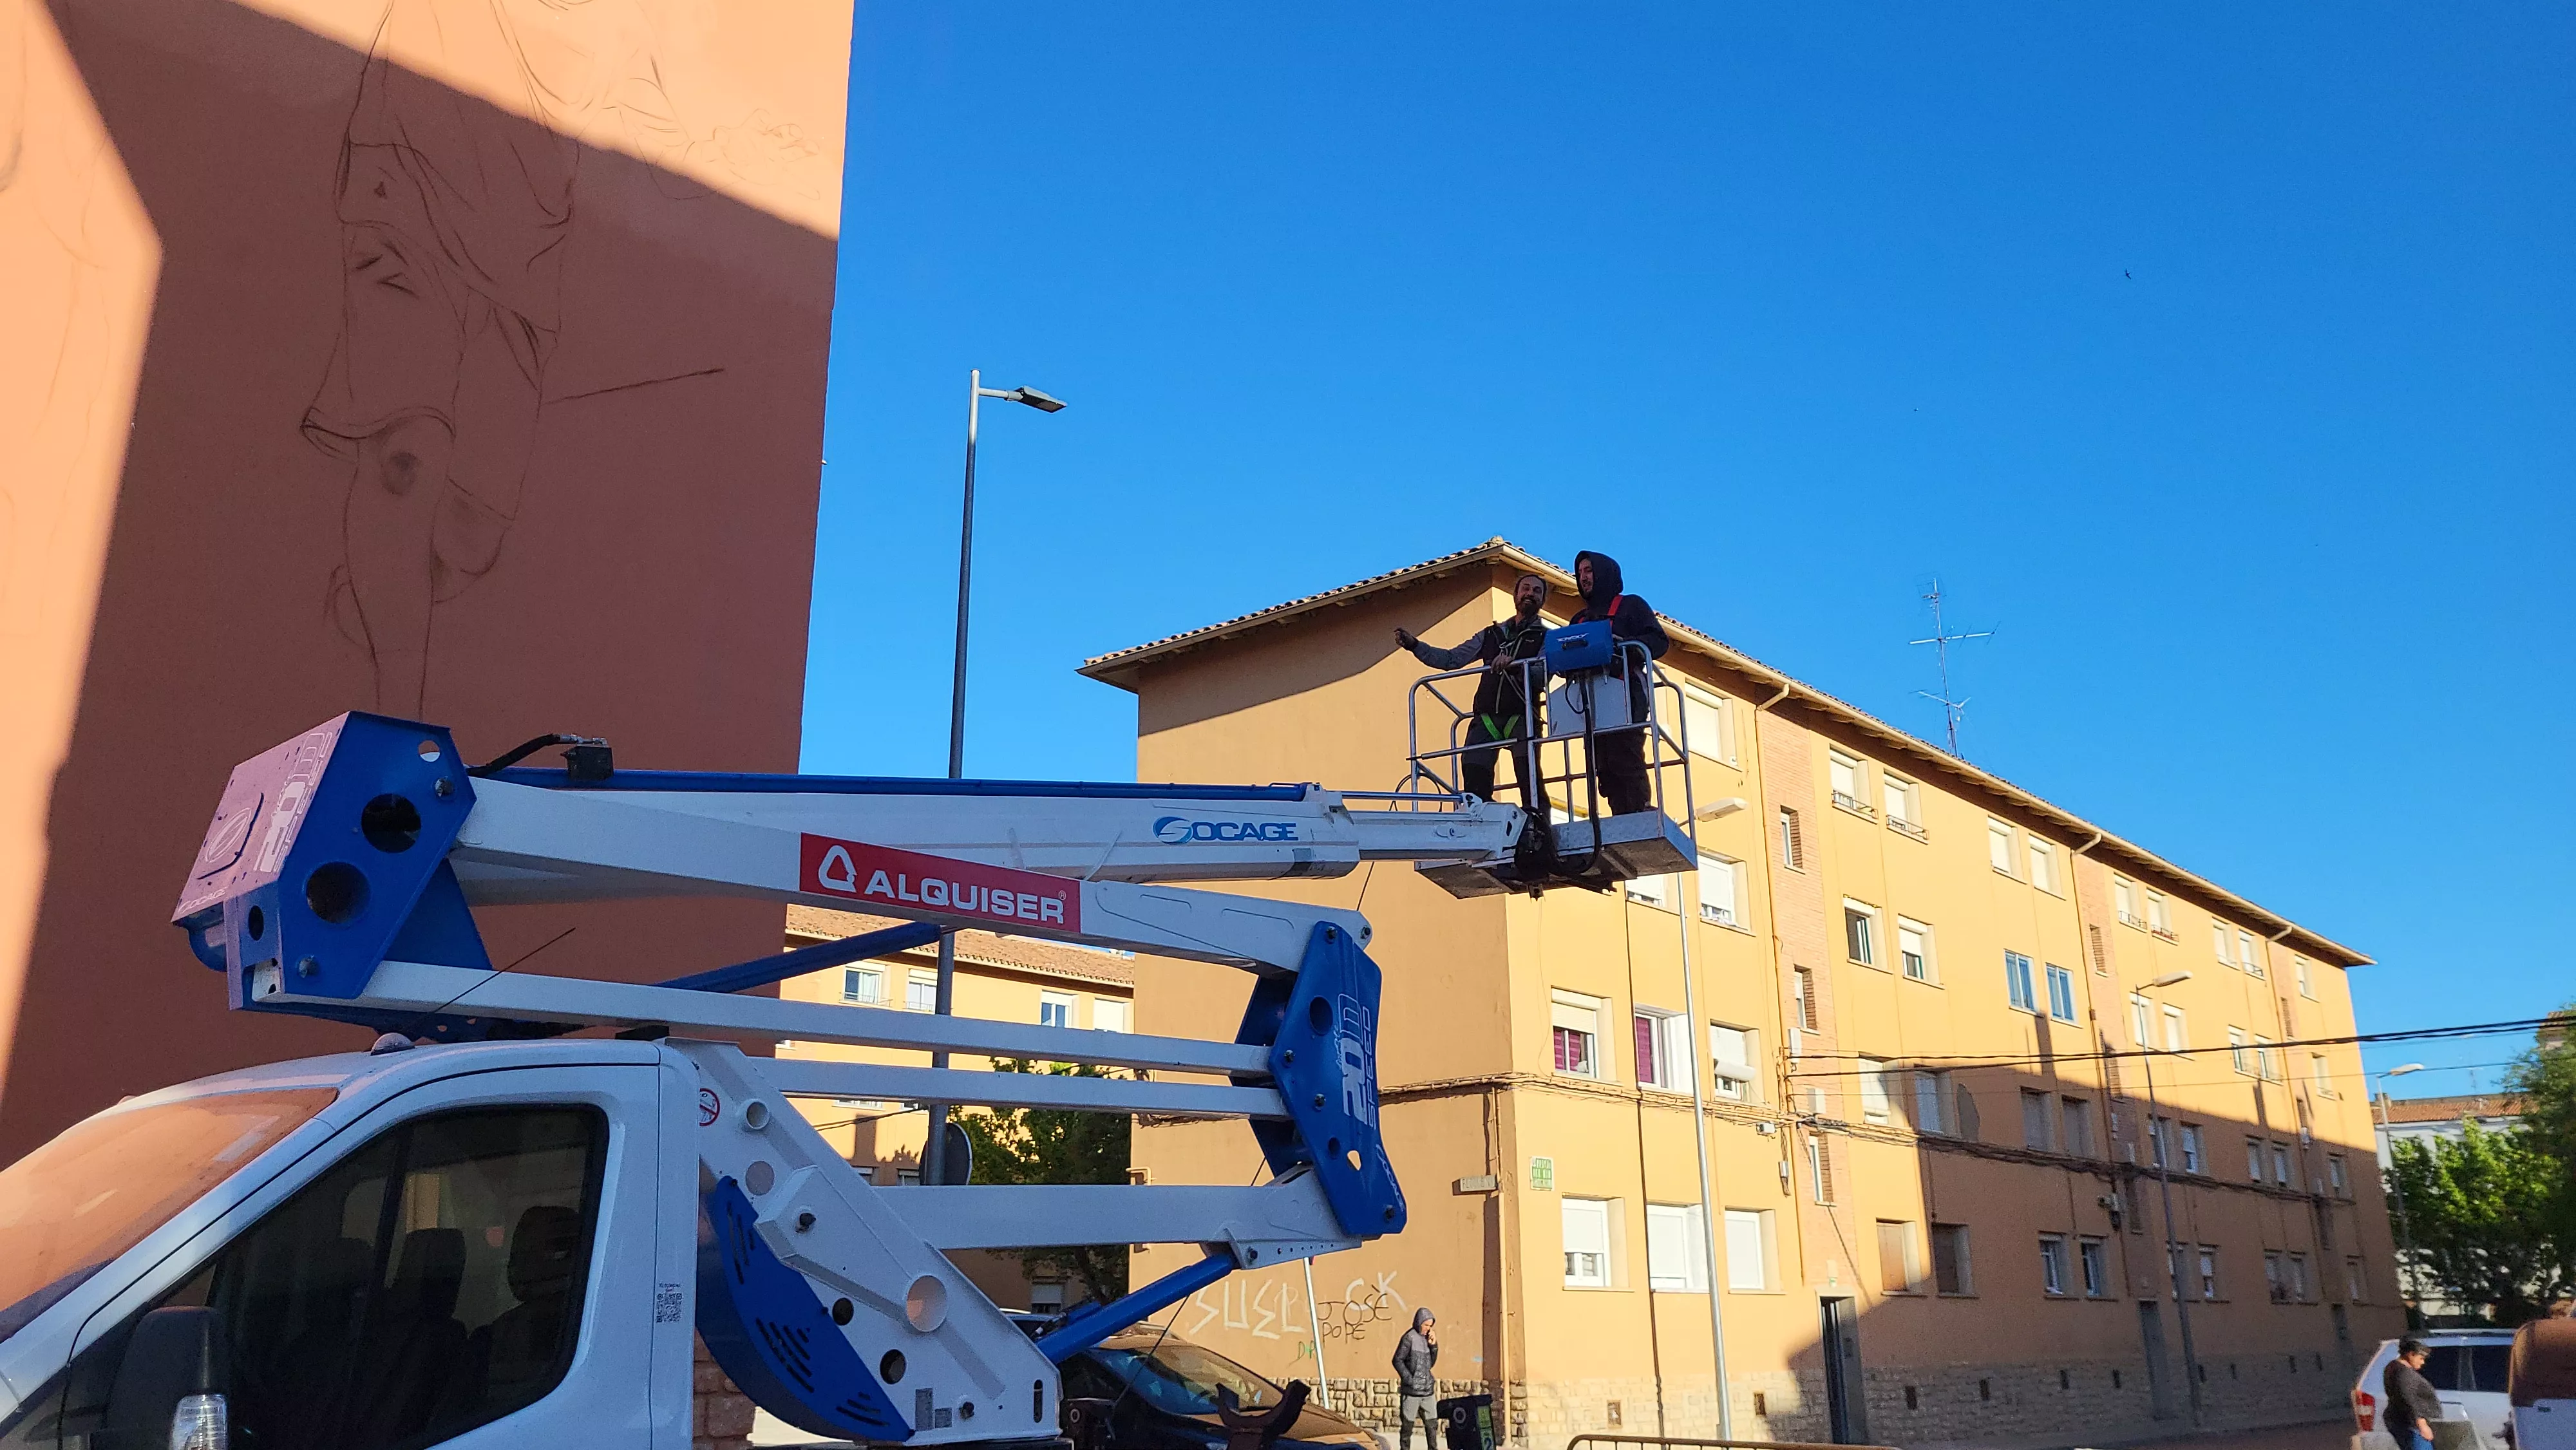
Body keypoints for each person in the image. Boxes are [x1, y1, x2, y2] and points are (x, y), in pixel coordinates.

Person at [1396, 574, 1551, 804]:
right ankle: (1487, 826)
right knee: (1474, 781)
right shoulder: (1491, 634)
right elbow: (1452, 659)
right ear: (1515, 595)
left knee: (1530, 786)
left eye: (1537, 591)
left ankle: (1539, 830)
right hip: (1486, 719)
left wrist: (1516, 668)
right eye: (1526, 589)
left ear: (1542, 601)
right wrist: (1415, 646)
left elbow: (1542, 675)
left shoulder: (1547, 637)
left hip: (1522, 717)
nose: (1530, 593)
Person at [1567, 551, 1670, 816]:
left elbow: (1658, 642)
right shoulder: (1578, 620)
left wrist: (1623, 646)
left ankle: (1639, 807)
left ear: (1604, 572)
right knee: (1602, 761)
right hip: (1590, 699)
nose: (1584, 577)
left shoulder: (1631, 606)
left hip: (1626, 691)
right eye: (1580, 573)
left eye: (1588, 570)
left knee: (1626, 752)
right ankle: (1617, 811)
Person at [1391, 1307, 1439, 1450]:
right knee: (1407, 1429)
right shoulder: (1409, 1338)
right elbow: (1397, 1360)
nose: (1428, 1329)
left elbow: (1431, 1363)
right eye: (1426, 1325)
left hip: (1427, 1392)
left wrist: (1434, 1346)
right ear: (1419, 1322)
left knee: (1432, 1427)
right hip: (1411, 1393)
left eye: (1430, 1326)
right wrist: (1409, 1380)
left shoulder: (1427, 1339)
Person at [2383, 1337, 2444, 1450]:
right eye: (2421, 1358)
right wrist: (2422, 1425)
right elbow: (2409, 1399)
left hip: (2404, 1423)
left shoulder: (2394, 1368)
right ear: (2411, 1354)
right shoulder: (2404, 1374)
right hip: (2411, 1426)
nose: (2423, 1362)